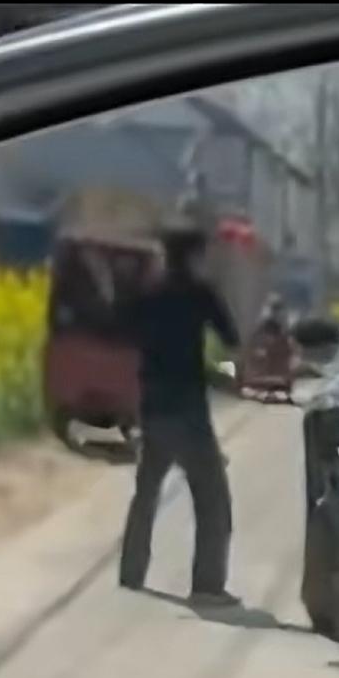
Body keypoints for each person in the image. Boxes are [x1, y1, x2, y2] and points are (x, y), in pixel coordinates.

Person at [118, 225, 241, 606]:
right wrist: (223, 372)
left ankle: (131, 573)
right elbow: (231, 339)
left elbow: (124, 331)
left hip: (152, 407)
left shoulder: (147, 293)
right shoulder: (201, 293)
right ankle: (207, 586)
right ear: (194, 257)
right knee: (212, 498)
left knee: (146, 494)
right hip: (188, 410)